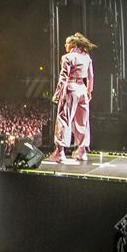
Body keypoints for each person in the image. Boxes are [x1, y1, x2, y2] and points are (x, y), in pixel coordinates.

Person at [49, 32, 95, 162]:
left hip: (71, 87)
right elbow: (91, 76)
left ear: (73, 44)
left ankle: (60, 152)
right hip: (83, 89)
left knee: (64, 119)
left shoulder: (68, 57)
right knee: (82, 121)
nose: (65, 45)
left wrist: (57, 94)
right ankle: (81, 151)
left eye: (67, 43)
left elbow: (63, 77)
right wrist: (89, 91)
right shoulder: (87, 57)